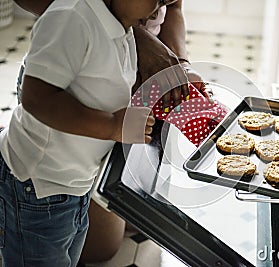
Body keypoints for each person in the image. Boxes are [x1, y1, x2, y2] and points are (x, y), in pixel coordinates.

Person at [0, 0, 191, 265]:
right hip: (41, 185)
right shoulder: (71, 19)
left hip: (75, 183)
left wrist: (176, 72)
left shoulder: (120, 25)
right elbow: (38, 99)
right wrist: (114, 125)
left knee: (68, 253)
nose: (159, 11)